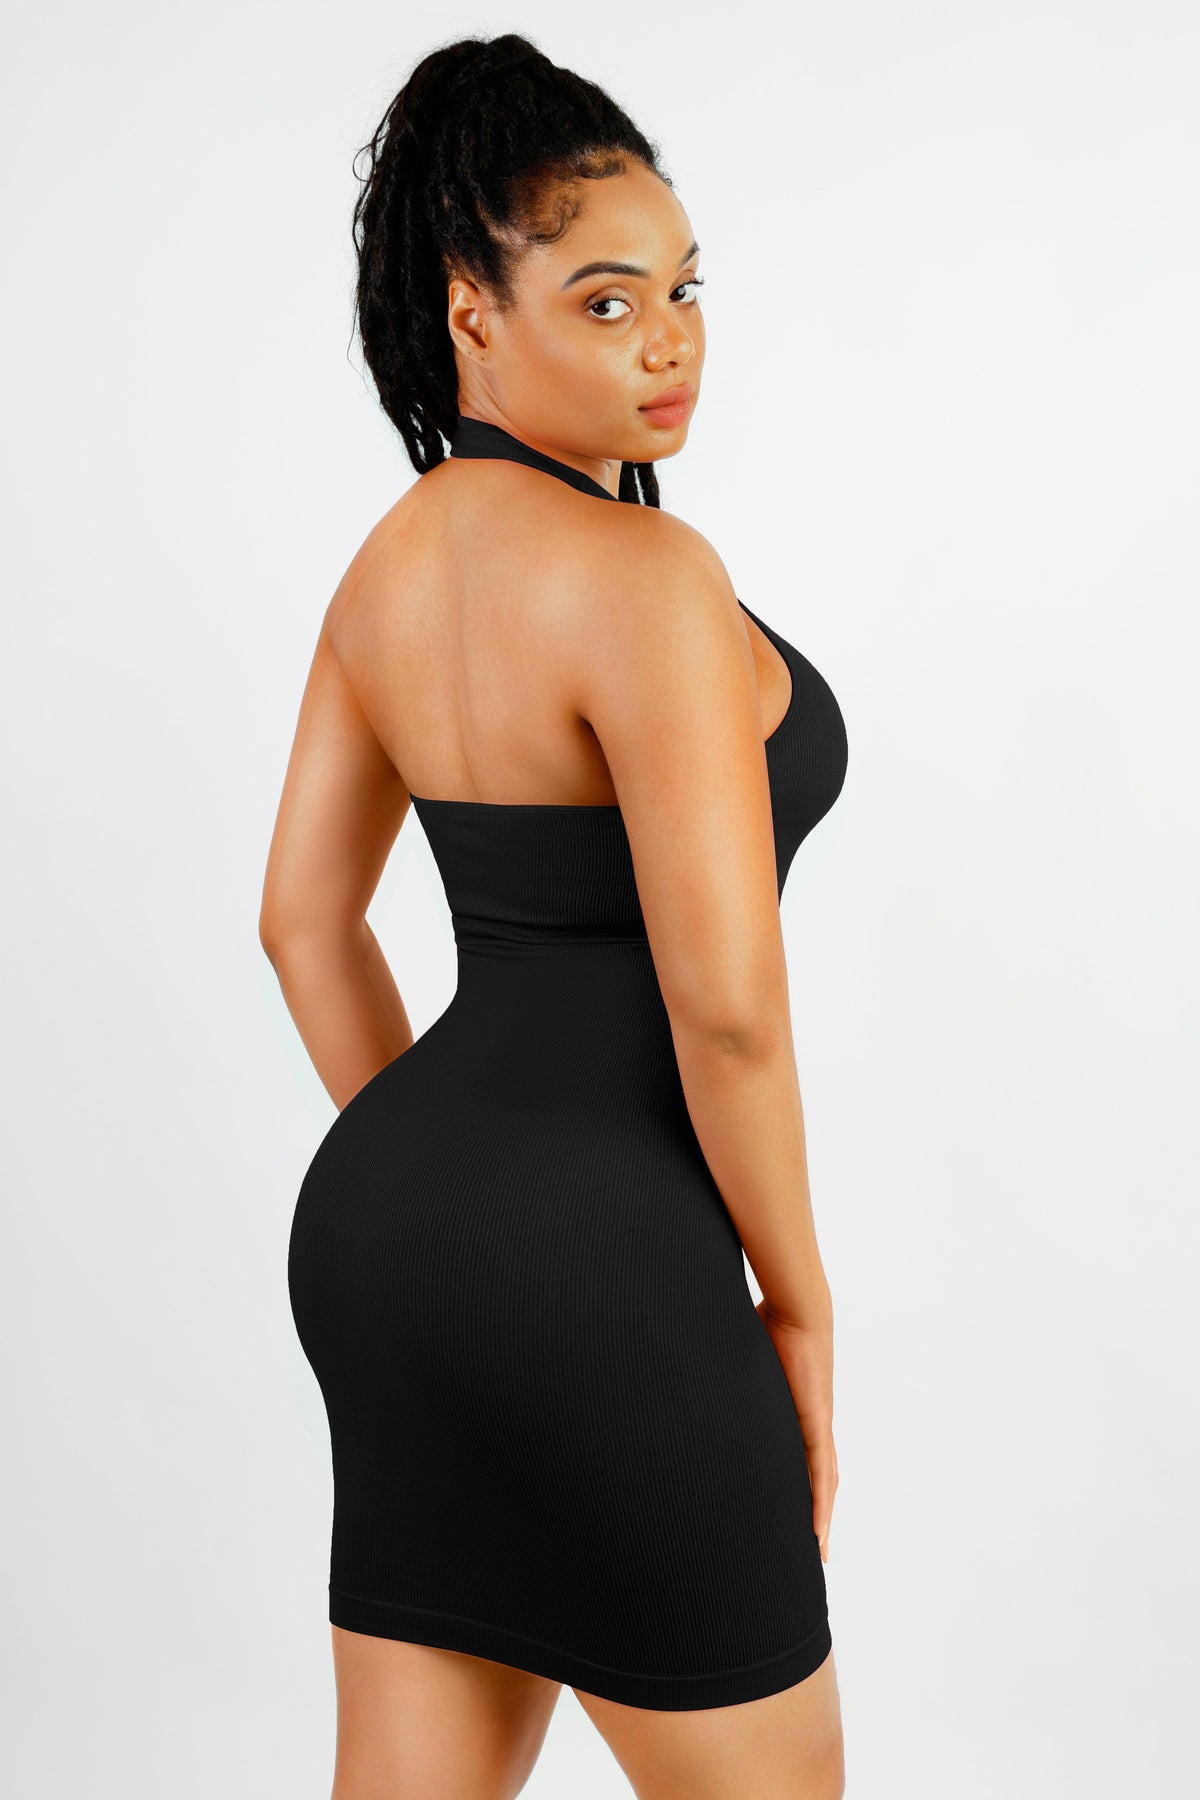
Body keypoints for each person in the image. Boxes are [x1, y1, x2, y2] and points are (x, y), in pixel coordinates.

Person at [260, 31, 850, 1800]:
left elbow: (300, 924)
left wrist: (443, 1192)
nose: (669, 341)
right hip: (604, 1261)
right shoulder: (650, 576)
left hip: (379, 1241)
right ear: (472, 314)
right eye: (605, 302)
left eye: (683, 291)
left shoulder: (385, 569)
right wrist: (799, 1304)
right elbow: (725, 1008)